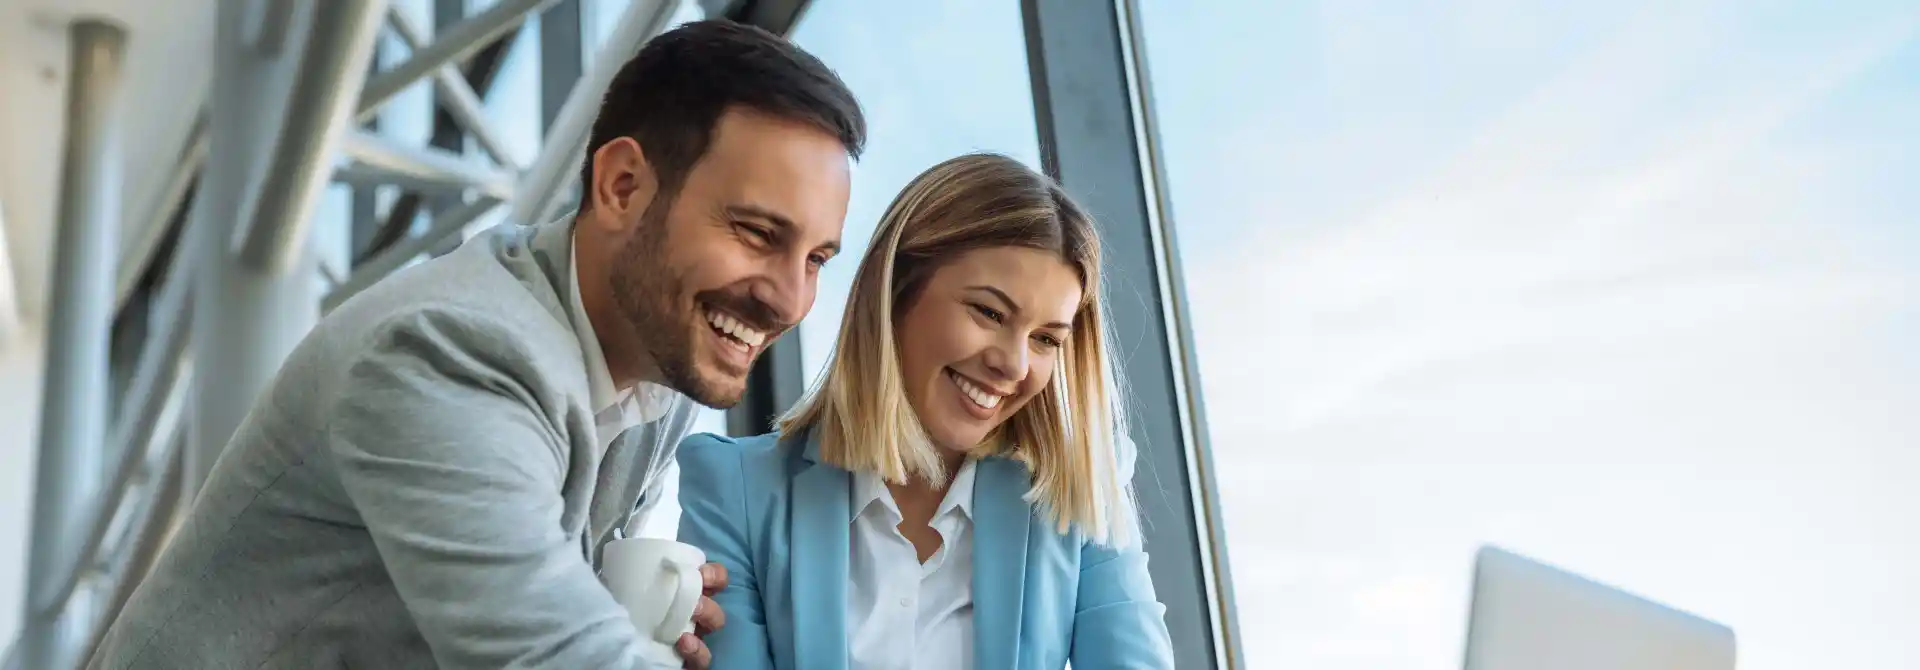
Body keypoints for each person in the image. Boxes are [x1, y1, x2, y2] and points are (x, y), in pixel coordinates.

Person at [89, 20, 864, 670]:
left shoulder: (655, 367)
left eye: (817, 259)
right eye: (758, 234)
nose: (791, 297)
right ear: (623, 187)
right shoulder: (447, 354)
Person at [677, 153, 1176, 669]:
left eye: (1046, 339)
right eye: (989, 312)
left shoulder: (1077, 487)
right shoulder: (731, 487)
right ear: (895, 293)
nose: (1013, 364)